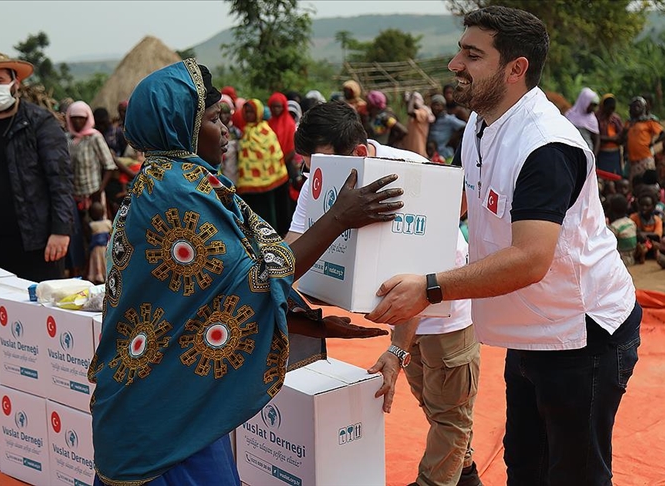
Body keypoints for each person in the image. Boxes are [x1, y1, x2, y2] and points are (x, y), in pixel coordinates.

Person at [89, 59, 403, 486]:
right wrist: (339, 217)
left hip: (166, 396)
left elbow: (209, 297)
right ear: (182, 124)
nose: (229, 130)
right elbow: (258, 275)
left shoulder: (166, 181)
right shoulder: (178, 192)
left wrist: (298, 320)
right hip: (164, 414)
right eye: (217, 119)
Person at [364, 7, 642, 485]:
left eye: (473, 54)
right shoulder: (479, 127)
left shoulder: (545, 146)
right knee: (525, 465)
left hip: (582, 335)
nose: (455, 64)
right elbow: (452, 214)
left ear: (516, 69)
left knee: (575, 474)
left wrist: (429, 288)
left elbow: (530, 258)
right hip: (528, 330)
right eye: (460, 50)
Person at [287, 100, 483, 486]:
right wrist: (264, 278)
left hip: (440, 306)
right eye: (309, 164)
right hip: (398, 308)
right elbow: (295, 242)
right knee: (433, 402)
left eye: (321, 162)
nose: (313, 174)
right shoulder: (321, 175)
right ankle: (466, 474)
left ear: (358, 154)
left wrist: (397, 350)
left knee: (449, 415)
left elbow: (415, 282)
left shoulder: (407, 178)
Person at [0, 51, 73, 281]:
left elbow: (60, 180)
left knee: (41, 310)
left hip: (37, 243)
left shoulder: (40, 123)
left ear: (15, 82)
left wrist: (60, 231)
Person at [236, 98, 291, 234]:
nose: (248, 115)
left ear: (259, 113)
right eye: (246, 112)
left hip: (268, 180)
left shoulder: (265, 131)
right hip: (249, 182)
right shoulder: (245, 132)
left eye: (251, 112)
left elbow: (273, 154)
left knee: (269, 212)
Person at [623, 96, 664, 179]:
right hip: (632, 160)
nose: (636, 108)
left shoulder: (649, 121)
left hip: (645, 158)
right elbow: (625, 139)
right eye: (634, 106)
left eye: (638, 106)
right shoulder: (628, 123)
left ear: (643, 108)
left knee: (646, 180)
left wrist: (653, 142)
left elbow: (663, 133)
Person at [429, 94, 468, 162]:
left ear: (443, 107)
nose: (435, 107)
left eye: (438, 105)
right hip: (434, 156)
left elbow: (464, 126)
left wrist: (453, 138)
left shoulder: (449, 119)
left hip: (446, 155)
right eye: (433, 105)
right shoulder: (432, 120)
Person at [563, 87, 600, 154]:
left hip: (586, 152)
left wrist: (594, 155)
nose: (593, 108)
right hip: (570, 151)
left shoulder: (592, 120)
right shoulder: (570, 115)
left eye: (595, 106)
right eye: (591, 105)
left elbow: (597, 140)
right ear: (584, 102)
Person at [595, 93, 624, 176]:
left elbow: (621, 134)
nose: (611, 111)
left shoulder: (615, 119)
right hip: (602, 153)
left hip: (615, 153)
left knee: (615, 175)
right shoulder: (596, 118)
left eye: (612, 109)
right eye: (609, 109)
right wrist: (610, 139)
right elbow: (595, 136)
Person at [401, 91, 434, 157]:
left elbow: (409, 111)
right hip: (410, 149)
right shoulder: (413, 116)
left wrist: (412, 98)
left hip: (419, 150)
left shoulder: (423, 112)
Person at [86, 201, 111, 284]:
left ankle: (98, 276)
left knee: (97, 262)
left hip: (96, 249)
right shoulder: (108, 223)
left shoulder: (92, 225)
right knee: (106, 262)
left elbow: (89, 237)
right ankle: (106, 276)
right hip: (106, 247)